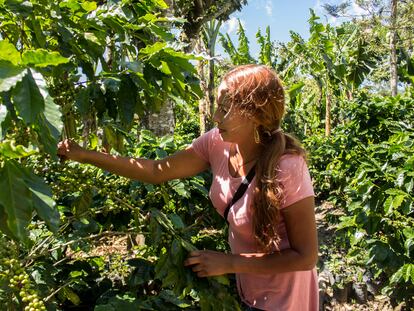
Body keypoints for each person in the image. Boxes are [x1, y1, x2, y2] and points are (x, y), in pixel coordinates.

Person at [57, 64, 318, 311]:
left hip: (286, 298)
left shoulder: (287, 167)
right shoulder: (216, 143)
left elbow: (305, 257)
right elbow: (156, 170)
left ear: (257, 115)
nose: (216, 117)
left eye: (225, 109)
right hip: (248, 286)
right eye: (218, 106)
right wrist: (86, 156)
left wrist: (229, 263)